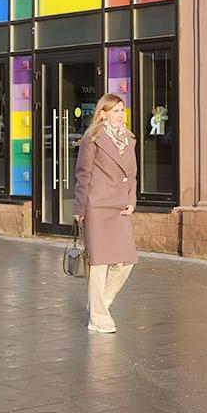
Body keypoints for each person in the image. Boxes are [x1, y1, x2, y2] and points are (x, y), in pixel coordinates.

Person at [73, 94, 138, 334]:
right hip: (97, 205)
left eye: (122, 110)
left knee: (126, 261)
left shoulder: (129, 139)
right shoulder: (92, 139)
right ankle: (98, 318)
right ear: (103, 114)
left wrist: (131, 200)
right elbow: (83, 175)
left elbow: (132, 175)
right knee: (99, 263)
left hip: (120, 207)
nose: (121, 115)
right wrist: (79, 208)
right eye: (116, 111)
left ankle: (99, 304)